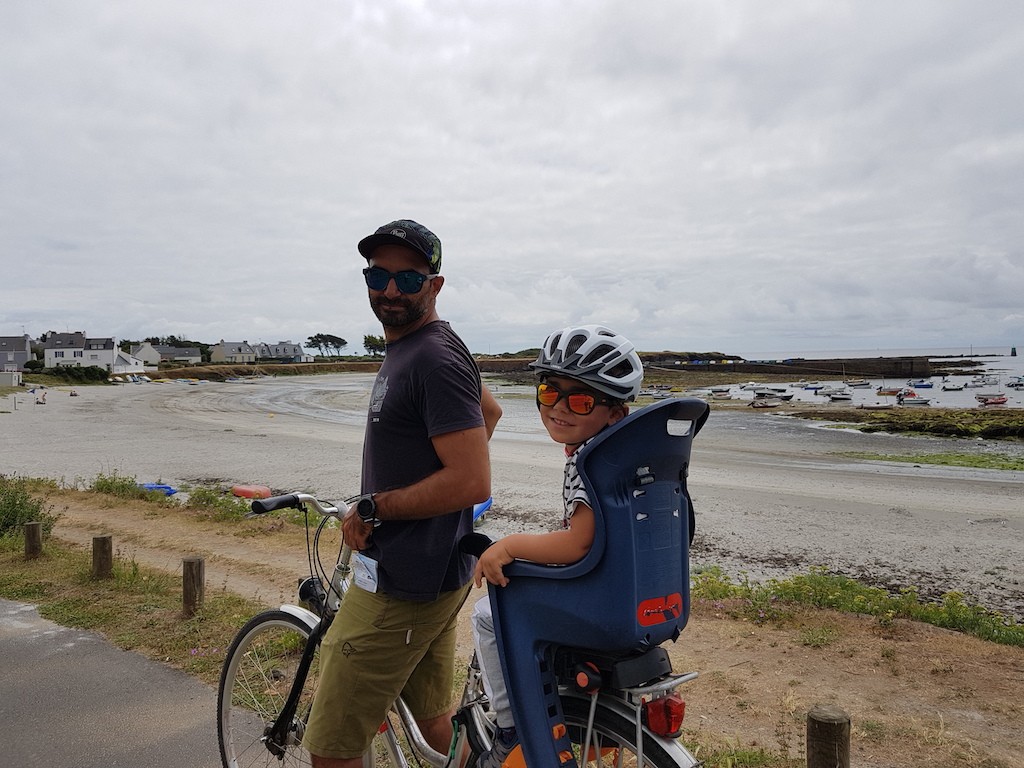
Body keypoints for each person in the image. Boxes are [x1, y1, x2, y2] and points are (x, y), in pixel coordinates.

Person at [302, 219, 502, 767]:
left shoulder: (434, 357)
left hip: (401, 582)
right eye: (378, 275)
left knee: (333, 746)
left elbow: (470, 480)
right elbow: (489, 412)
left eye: (408, 280)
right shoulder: (420, 348)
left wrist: (374, 506)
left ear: (433, 286)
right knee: (437, 724)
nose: (390, 290)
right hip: (431, 574)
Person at [471, 323, 643, 768]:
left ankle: (511, 728)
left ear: (615, 414)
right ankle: (592, 725)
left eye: (581, 399)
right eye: (550, 393)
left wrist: (510, 545)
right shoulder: (634, 462)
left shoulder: (589, 464)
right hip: (631, 595)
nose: (560, 408)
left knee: (489, 616)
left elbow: (577, 542)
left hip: (597, 601)